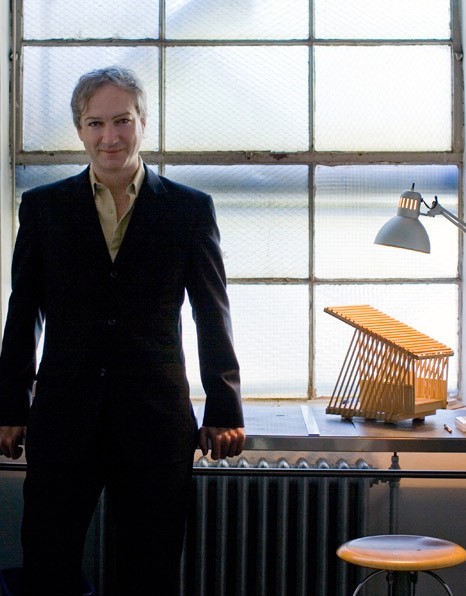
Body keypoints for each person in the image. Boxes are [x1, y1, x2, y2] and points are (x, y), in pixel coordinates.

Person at [0, 66, 245, 596]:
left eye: (122, 121)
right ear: (80, 130)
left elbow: (212, 313)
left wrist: (224, 409)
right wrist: (10, 407)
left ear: (142, 123)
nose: (109, 137)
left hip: (155, 421)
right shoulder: (43, 208)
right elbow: (23, 314)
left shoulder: (189, 208)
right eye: (95, 123)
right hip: (63, 418)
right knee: (47, 567)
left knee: (150, 573)